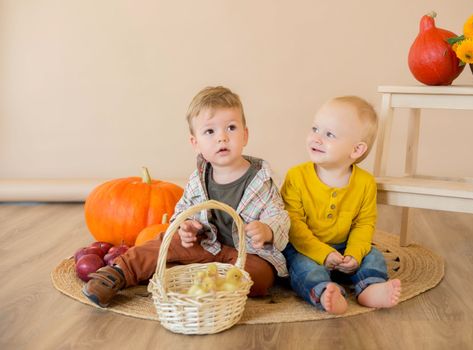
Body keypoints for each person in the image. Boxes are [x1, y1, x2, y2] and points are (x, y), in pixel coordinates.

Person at [83, 86, 290, 307]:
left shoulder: (261, 179)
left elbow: (280, 215)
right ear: (195, 143)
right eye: (210, 132)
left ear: (245, 135)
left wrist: (267, 230)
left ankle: (195, 280)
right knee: (164, 243)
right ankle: (119, 272)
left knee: (259, 277)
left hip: (245, 253)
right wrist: (187, 226)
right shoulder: (198, 179)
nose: (222, 138)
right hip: (205, 245)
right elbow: (182, 210)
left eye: (231, 128)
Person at [280, 96, 401, 314]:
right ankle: (325, 290)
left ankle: (370, 288)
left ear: (356, 150)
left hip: (345, 247)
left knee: (372, 256)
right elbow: (293, 224)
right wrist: (323, 254)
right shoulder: (296, 177)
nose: (316, 138)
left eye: (329, 134)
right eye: (315, 128)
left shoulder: (365, 183)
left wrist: (354, 254)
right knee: (302, 268)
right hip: (305, 248)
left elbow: (364, 225)